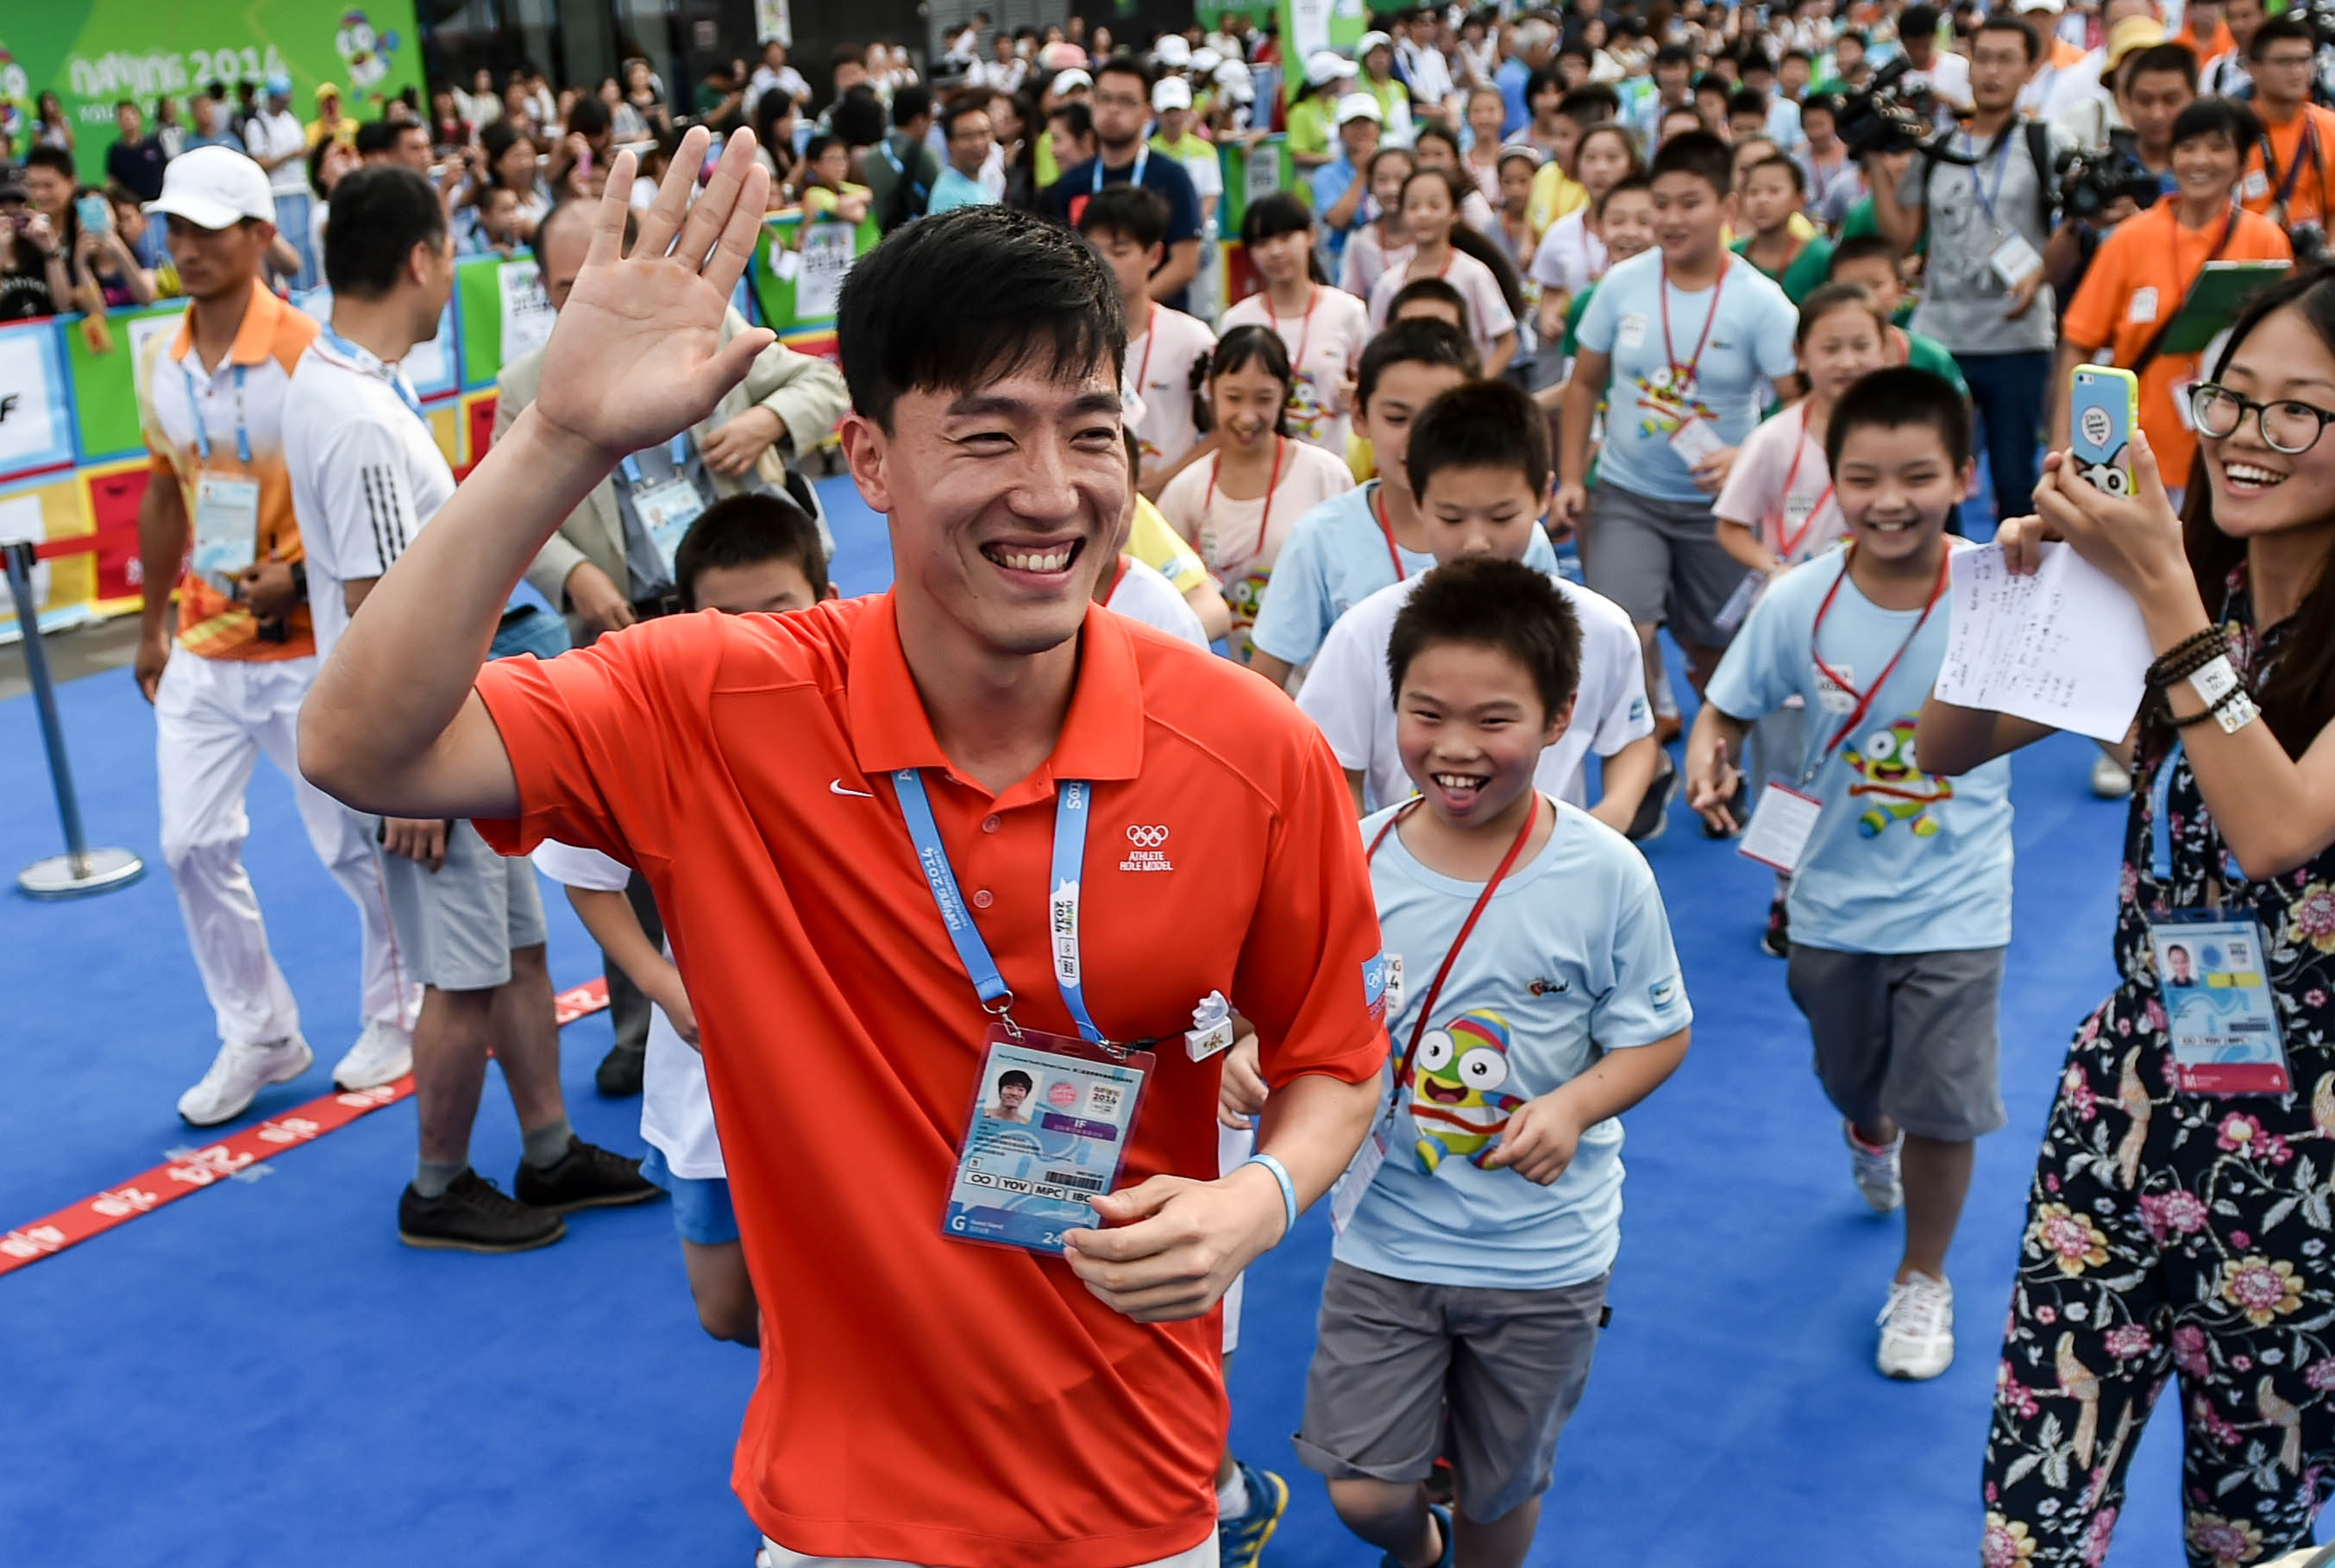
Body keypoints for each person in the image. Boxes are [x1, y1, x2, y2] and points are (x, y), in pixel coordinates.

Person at [298, 132, 1388, 1564]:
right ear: (864, 457)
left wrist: (1263, 1194)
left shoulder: (1250, 747)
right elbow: (361, 744)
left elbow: (1336, 1055)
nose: (1051, 489)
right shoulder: (714, 701)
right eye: (986, 435)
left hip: (1138, 1499)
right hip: (844, 1516)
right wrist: (557, 440)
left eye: (1090, 431)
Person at [1913, 261, 2335, 1568]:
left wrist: (2158, 587)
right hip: (2126, 1098)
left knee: (2246, 1535)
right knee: (2028, 1530)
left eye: (2297, 410)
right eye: (2229, 399)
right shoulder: (2182, 595)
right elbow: (1945, 745)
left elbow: (2276, 828)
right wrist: (2023, 587)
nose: (2247, 436)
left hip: (2303, 1150)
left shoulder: (2176, 603)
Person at [280, 165, 653, 1248]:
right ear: (421, 258)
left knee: (519, 948)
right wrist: (412, 777)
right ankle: (437, 1185)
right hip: (428, 746)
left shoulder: (353, 386)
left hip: (459, 729)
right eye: (447, 251)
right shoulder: (357, 415)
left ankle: (548, 1151)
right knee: (462, 974)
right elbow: (384, 607)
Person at [1301, 551, 1690, 1568]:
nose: (1455, 748)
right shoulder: (1353, 857)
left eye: (1494, 720)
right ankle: (1418, 1550)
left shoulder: (1606, 873)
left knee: (1500, 1485)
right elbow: (1300, 1005)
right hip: (1384, 1236)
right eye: (1426, 714)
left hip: (1541, 1255)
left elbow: (1657, 1032)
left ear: (1559, 719)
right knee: (1362, 1492)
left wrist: (1572, 1106)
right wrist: (1257, 1049)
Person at [1688, 366, 2009, 1381]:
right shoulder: (1798, 600)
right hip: (1829, 904)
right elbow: (1727, 702)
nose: (1889, 500)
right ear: (1833, 483)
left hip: (1960, 902)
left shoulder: (2001, 591)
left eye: (1917, 476)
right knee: (1851, 1074)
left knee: (1944, 1102)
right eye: (1863, 478)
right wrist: (1709, 749)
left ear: (1963, 476)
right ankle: (1868, 1129)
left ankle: (1923, 1277)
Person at [124, 148, 418, 1126]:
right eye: (175, 228)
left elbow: (363, 493)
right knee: (189, 844)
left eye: (209, 229)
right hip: (205, 641)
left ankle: (398, 1008)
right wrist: (151, 626)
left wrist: (292, 575)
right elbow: (166, 492)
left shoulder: (309, 351)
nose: (187, 247)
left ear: (261, 236)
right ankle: (258, 1031)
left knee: (353, 844)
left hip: (307, 646)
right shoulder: (161, 360)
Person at [533, 492, 835, 1347]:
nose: (757, 637)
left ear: (827, 598)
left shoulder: (877, 718)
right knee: (726, 1309)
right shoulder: (654, 737)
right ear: (682, 620)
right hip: (712, 1071)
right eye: (726, 619)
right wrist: (664, 987)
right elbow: (584, 876)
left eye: (780, 608)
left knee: (850, 1293)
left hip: (850, 1071)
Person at [1300, 379, 1661, 843]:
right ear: (1418, 501)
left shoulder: (1601, 628)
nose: (1476, 542)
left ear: (1543, 495)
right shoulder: (1365, 631)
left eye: (1501, 517)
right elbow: (1332, 765)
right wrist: (1360, 857)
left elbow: (1630, 737)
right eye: (1451, 518)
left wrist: (1606, 828)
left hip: (1552, 867)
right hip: (1408, 870)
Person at [1556, 131, 1800, 707]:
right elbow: (1584, 383)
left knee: (1716, 648)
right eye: (1660, 204)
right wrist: (1570, 478)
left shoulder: (1761, 302)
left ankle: (1717, 746)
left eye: (1689, 204)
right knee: (1625, 635)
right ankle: (1641, 747)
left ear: (1726, 208)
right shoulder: (1621, 285)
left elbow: (1801, 406)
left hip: (1723, 510)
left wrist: (1748, 456)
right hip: (1627, 494)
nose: (1670, 219)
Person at [1711, 283, 1893, 955]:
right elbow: (1730, 525)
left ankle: (1862, 883)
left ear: (1886, 347)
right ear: (1799, 355)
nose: (1845, 360)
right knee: (1786, 771)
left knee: (1871, 759)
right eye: (1829, 347)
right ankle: (1787, 895)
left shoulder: (1897, 433)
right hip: (1793, 635)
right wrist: (1774, 567)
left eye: (1860, 345)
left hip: (1878, 631)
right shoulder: (1774, 439)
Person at [1866, 14, 2072, 537]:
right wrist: (1873, 160)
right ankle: (1943, 569)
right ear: (1968, 65)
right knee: (1931, 468)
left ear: (2031, 68)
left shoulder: (2046, 142)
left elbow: (2075, 228)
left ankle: (2017, 578)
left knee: (2014, 477)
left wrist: (2039, 276)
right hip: (1941, 335)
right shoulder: (1938, 148)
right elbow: (1903, 237)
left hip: (2016, 337)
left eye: (2007, 59)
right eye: (1983, 58)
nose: (1992, 71)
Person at [2056, 97, 2293, 509]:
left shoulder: (2266, 241)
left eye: (2217, 147)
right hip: (2138, 452)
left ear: (2241, 163)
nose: (2201, 160)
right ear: (2171, 158)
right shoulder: (2129, 240)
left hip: (2232, 449)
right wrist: (2064, 444)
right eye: (2188, 147)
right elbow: (2079, 342)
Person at [1249, 320, 1492, 688]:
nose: (1418, 439)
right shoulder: (1320, 539)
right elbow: (1264, 682)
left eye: (1440, 418)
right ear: (1360, 416)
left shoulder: (1512, 535)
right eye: (1397, 418)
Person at [1158, 325, 1358, 658]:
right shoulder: (1186, 490)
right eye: (1233, 397)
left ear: (1285, 395)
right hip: (1219, 677)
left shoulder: (1325, 475)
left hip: (1308, 677)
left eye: (1263, 399)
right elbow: (1161, 591)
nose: (1247, 416)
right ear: (1210, 390)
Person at [1081, 186, 1215, 495]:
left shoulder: (1193, 340)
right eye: (1095, 251)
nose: (1105, 263)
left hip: (1171, 502)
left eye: (1120, 252)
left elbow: (1223, 430)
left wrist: (1167, 477)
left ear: (1155, 255)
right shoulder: (1074, 342)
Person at [1043, 56, 1204, 311]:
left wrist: (1129, 307)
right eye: (1104, 99)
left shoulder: (1172, 178)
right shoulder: (1072, 182)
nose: (1113, 110)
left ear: (1148, 113)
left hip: (1157, 320)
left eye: (1126, 101)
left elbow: (1185, 263)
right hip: (1090, 320)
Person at [1225, 194, 1372, 457]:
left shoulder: (1348, 311)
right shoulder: (1238, 320)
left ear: (1311, 236)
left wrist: (1357, 395)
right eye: (1262, 243)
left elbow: (1373, 386)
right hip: (1262, 462)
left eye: (1285, 237)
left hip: (1335, 461)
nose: (1275, 251)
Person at [1369, 167, 1518, 377]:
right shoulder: (1389, 283)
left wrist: (1476, 385)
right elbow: (1375, 345)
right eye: (1413, 206)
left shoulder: (1474, 274)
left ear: (1454, 213)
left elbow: (1507, 342)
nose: (1423, 214)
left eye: (1435, 205)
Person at [1528, 121, 1639, 342]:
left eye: (1612, 158)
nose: (1601, 168)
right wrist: (1549, 316)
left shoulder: (1651, 230)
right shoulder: (1561, 231)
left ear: (1632, 166)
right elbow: (1551, 289)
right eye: (1590, 158)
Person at [2238, 17, 2335, 239]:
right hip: (2251, 253)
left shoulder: (2329, 127)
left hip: (2316, 255)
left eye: (2304, 60)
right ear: (2254, 69)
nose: (2297, 71)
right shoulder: (2232, 131)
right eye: (2284, 62)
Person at [1733, 154, 1834, 304]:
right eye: (1753, 192)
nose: (1762, 200)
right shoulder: (1733, 256)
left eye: (1774, 191)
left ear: (1799, 200)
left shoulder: (1821, 257)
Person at [244, 78, 312, 285]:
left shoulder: (291, 119)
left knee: (303, 249)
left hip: (299, 194)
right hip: (275, 197)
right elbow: (260, 161)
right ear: (272, 98)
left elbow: (301, 149)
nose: (285, 102)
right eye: (281, 99)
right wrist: (290, 155)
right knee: (279, 251)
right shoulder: (257, 124)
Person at [1312, 94, 1385, 267]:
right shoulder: (1326, 174)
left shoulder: (1394, 165)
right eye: (1352, 123)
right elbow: (1338, 220)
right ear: (1340, 131)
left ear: (1378, 128)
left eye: (1366, 122)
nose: (1360, 129)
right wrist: (1362, 173)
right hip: (1345, 262)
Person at [1339, 147, 1418, 300]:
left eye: (1401, 179)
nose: (1392, 189)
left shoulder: (1431, 235)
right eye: (1382, 180)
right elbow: (1352, 297)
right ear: (1371, 185)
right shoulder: (1361, 240)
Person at [864, 85, 941, 233]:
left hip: (884, 238)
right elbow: (939, 196)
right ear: (919, 120)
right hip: (919, 236)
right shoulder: (925, 155)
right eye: (932, 119)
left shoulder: (871, 155)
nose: (932, 126)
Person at [927, 96, 998, 214]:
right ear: (949, 142)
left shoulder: (978, 180)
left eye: (984, 133)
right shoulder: (949, 198)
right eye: (967, 136)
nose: (978, 143)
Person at [105, 100, 168, 204]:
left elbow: (165, 170)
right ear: (118, 122)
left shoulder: (154, 144)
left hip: (159, 202)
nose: (128, 119)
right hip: (132, 205)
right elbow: (113, 182)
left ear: (139, 117)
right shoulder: (116, 151)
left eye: (131, 114)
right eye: (123, 116)